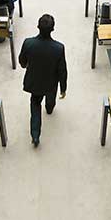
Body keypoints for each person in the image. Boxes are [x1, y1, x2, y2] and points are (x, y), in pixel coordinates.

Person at [19, 14, 67, 147]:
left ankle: (35, 135)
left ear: (38, 27)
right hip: (51, 83)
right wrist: (63, 88)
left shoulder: (28, 43)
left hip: (34, 82)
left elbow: (22, 62)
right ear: (53, 29)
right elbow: (62, 70)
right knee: (50, 98)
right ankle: (50, 108)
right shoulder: (59, 48)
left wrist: (27, 65)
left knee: (35, 105)